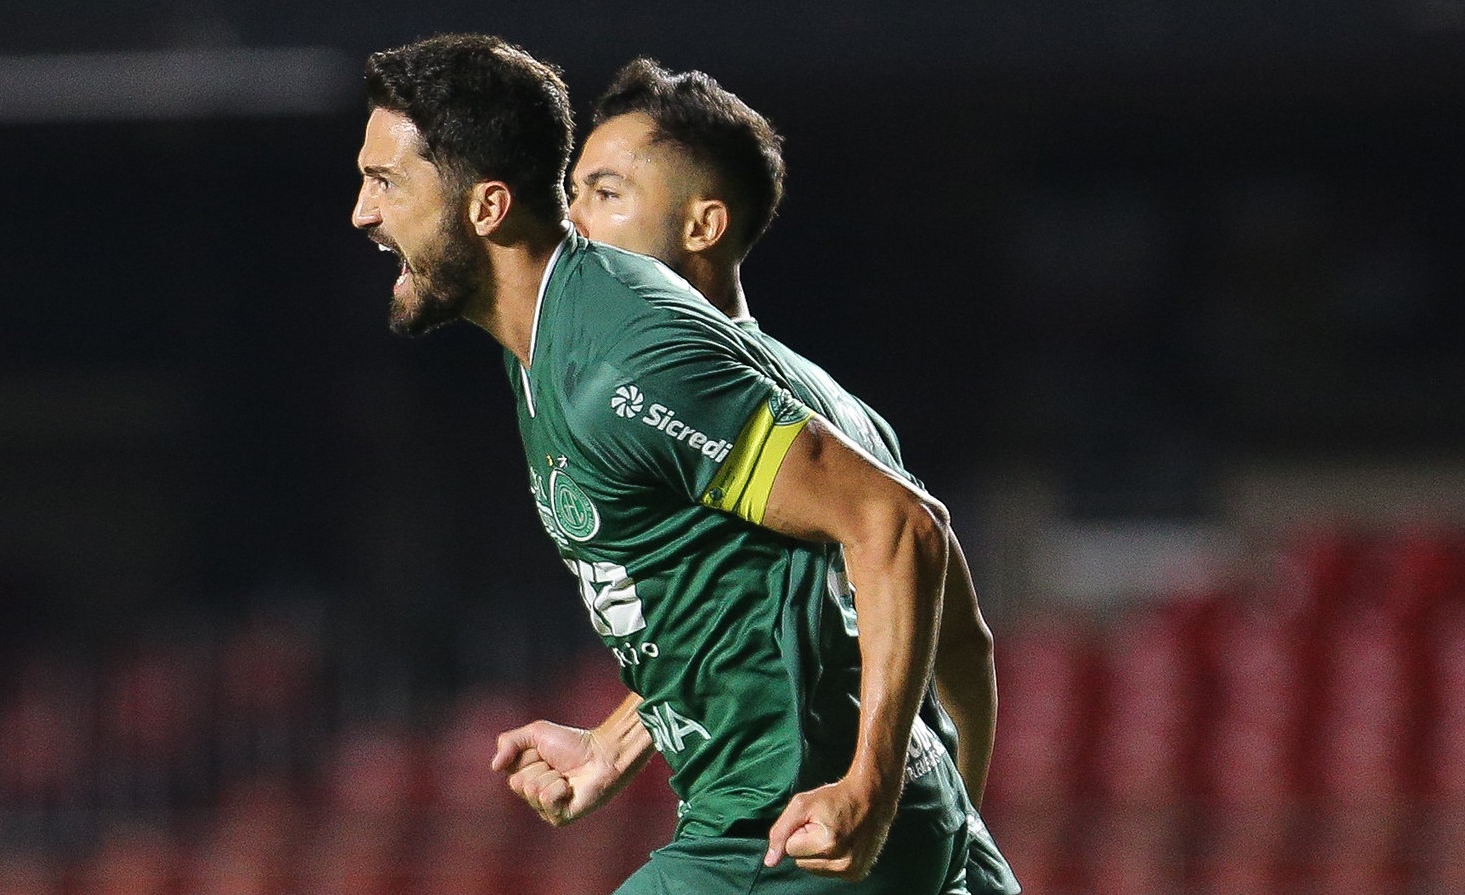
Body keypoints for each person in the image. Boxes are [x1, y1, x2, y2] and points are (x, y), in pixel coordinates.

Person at [353, 35, 986, 893]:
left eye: (385, 182)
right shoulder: (553, 339)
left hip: (776, 825)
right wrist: (612, 743)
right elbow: (740, 591)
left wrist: (872, 791)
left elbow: (902, 526)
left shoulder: (623, 358)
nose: (362, 211)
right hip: (799, 816)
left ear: (486, 207)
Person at [549, 59, 1019, 895]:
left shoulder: (671, 392)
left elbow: (912, 540)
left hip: (791, 833)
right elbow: (957, 640)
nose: (573, 221)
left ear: (703, 225)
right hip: (919, 834)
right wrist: (952, 820)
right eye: (572, 191)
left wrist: (876, 798)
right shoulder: (841, 410)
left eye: (605, 192)